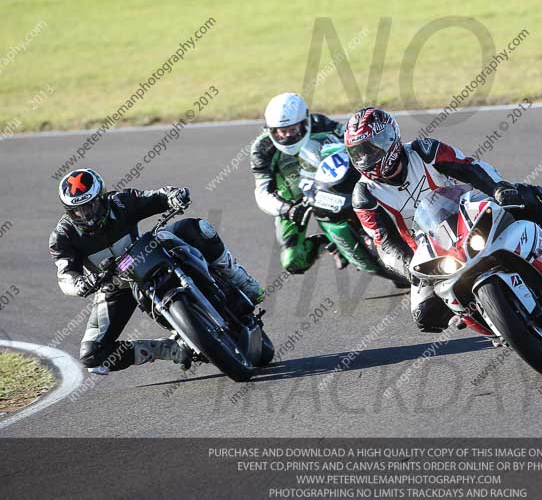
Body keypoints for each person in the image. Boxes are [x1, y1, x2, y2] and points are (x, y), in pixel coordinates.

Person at [344, 107, 542, 335]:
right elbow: (384, 243)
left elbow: (470, 167)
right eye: (358, 153)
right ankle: (493, 326)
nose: (366, 158)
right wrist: (408, 267)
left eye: (370, 148)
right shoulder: (364, 194)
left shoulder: (424, 151)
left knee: (527, 196)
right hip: (430, 251)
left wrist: (498, 188)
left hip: (468, 216)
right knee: (425, 314)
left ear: (389, 138)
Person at [49, 168, 265, 374]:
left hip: (146, 254)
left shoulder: (121, 201)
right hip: (114, 284)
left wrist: (174, 196)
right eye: (78, 210)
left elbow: (156, 196)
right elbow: (65, 275)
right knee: (91, 355)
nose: (87, 215)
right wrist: (80, 284)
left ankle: (242, 281)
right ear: (68, 210)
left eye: (91, 205)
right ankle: (172, 349)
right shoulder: (62, 236)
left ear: (102, 198)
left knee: (198, 228)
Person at [250, 92, 347, 273]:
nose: (288, 136)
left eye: (293, 129)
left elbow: (353, 143)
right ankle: (325, 243)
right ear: (271, 130)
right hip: (292, 201)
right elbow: (262, 193)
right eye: (282, 131)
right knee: (293, 260)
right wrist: (287, 209)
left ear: (305, 122)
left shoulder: (323, 125)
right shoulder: (261, 149)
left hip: (329, 184)